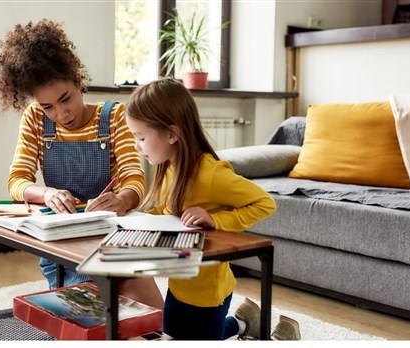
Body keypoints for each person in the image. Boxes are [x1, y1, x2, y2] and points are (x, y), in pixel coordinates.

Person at [0, 19, 163, 309]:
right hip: (61, 246)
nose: (60, 113)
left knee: (151, 315)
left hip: (112, 240)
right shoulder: (34, 119)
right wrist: (47, 194)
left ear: (79, 82)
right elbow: (17, 181)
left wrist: (121, 199)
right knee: (98, 320)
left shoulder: (115, 116)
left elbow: (134, 178)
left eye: (65, 99)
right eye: (48, 106)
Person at [124, 77, 299, 340]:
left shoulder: (211, 175)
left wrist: (215, 219)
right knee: (172, 337)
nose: (137, 147)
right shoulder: (171, 167)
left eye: (140, 138)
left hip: (209, 293)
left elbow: (265, 203)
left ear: (171, 134)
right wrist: (134, 219)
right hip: (180, 283)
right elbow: (171, 211)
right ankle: (244, 322)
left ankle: (282, 337)